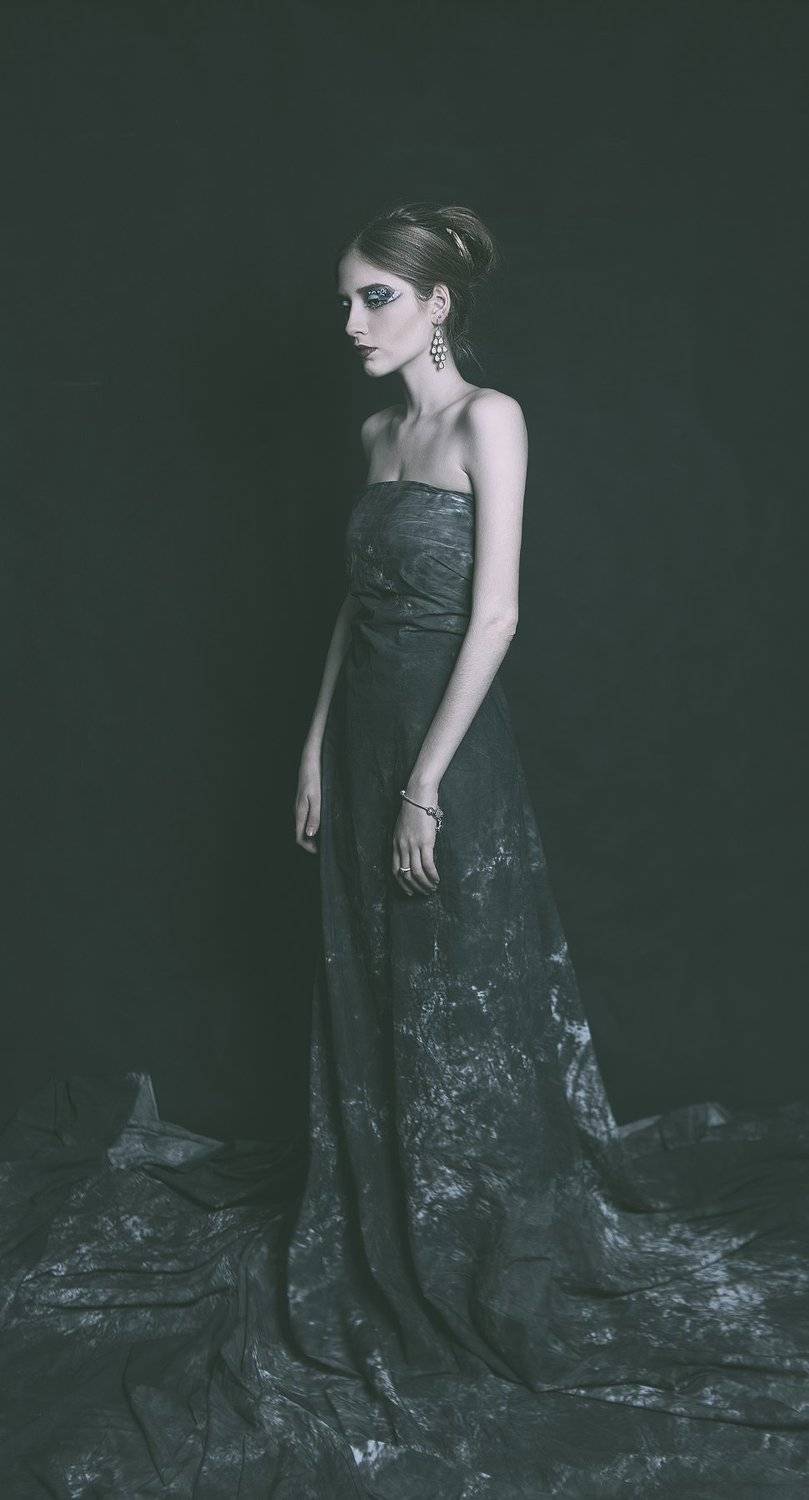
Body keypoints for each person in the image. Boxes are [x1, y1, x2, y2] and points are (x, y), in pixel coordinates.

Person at [2, 201, 808, 1499]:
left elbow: (495, 615)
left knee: (457, 995)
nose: (350, 321)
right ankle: (383, 1217)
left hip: (449, 751)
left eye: (374, 296)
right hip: (365, 739)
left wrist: (426, 782)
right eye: (344, 298)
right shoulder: (378, 435)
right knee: (370, 988)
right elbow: (354, 601)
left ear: (438, 303)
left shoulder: (490, 419)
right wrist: (316, 745)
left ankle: (478, 1235)